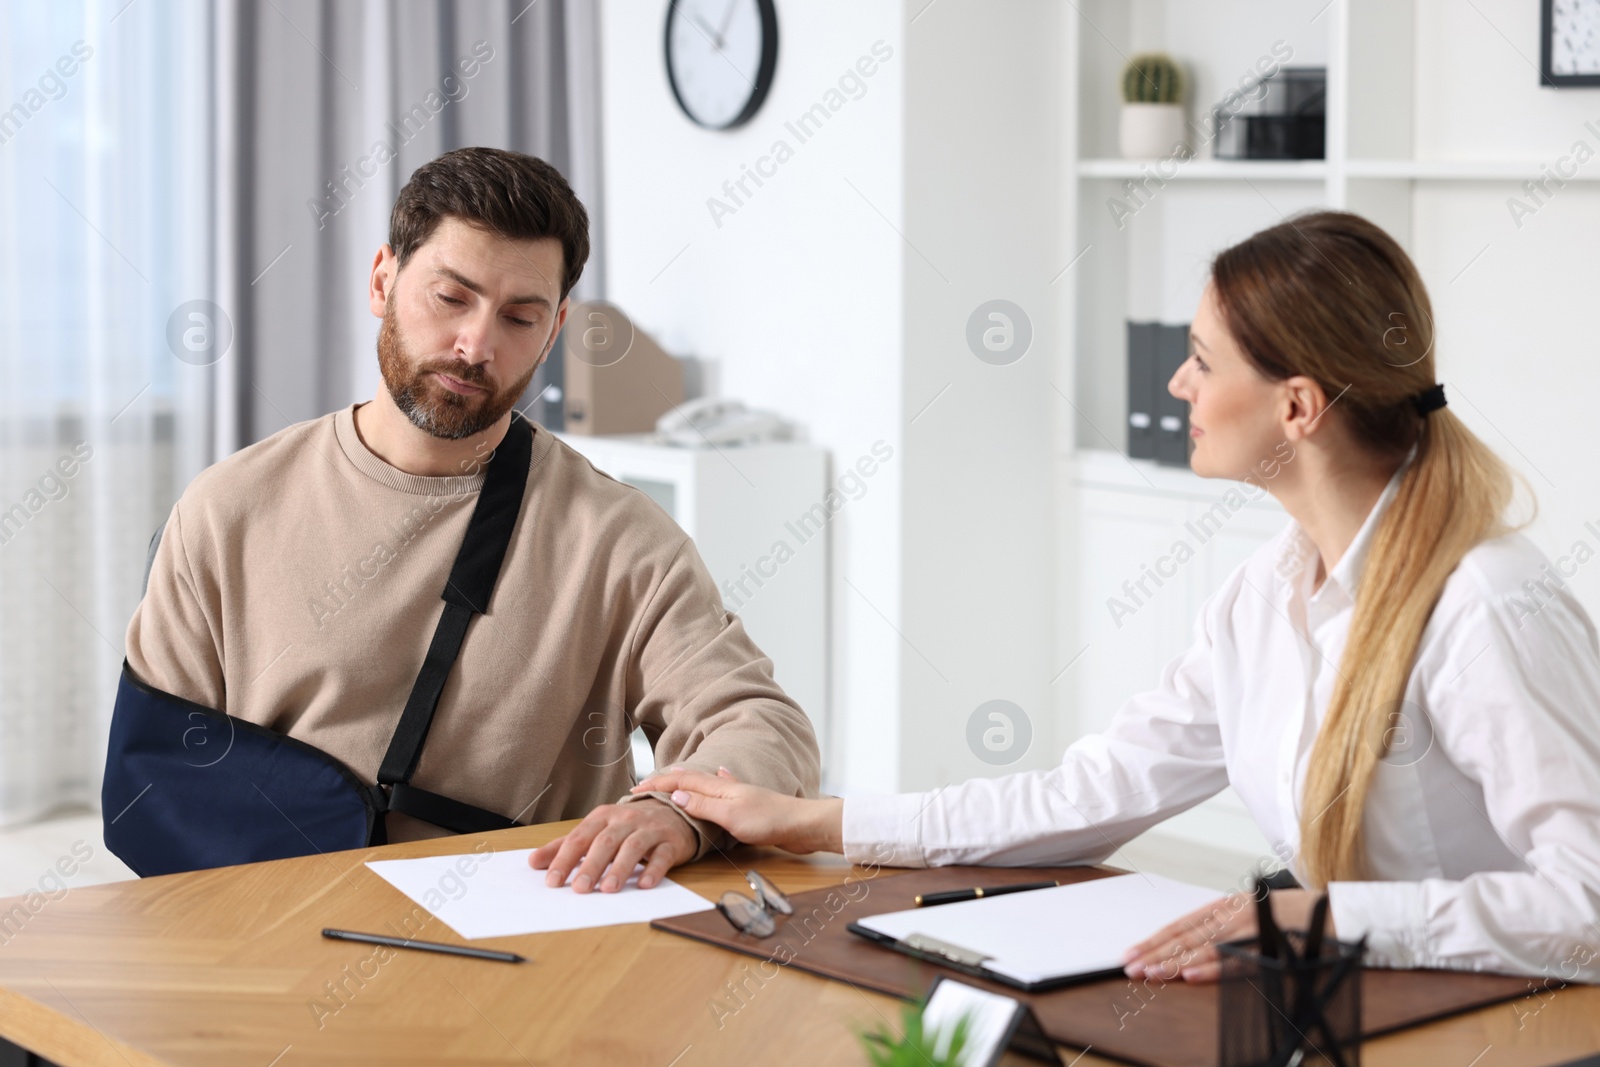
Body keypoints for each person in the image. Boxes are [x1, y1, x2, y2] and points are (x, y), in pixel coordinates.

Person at [636, 210, 1600, 982]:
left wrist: (1323, 917)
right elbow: (1093, 793)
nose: (1177, 380)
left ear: (1297, 407)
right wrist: (824, 821)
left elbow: (1588, 907)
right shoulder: (1262, 597)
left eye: (1204, 358)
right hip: (1360, 1001)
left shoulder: (1486, 607)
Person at [125, 146, 819, 892]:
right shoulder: (229, 506)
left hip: (518, 948)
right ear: (383, 280)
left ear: (552, 333)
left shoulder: (620, 541)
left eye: (519, 317)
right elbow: (155, 775)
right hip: (270, 928)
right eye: (451, 298)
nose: (477, 345)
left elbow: (761, 723)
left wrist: (680, 813)